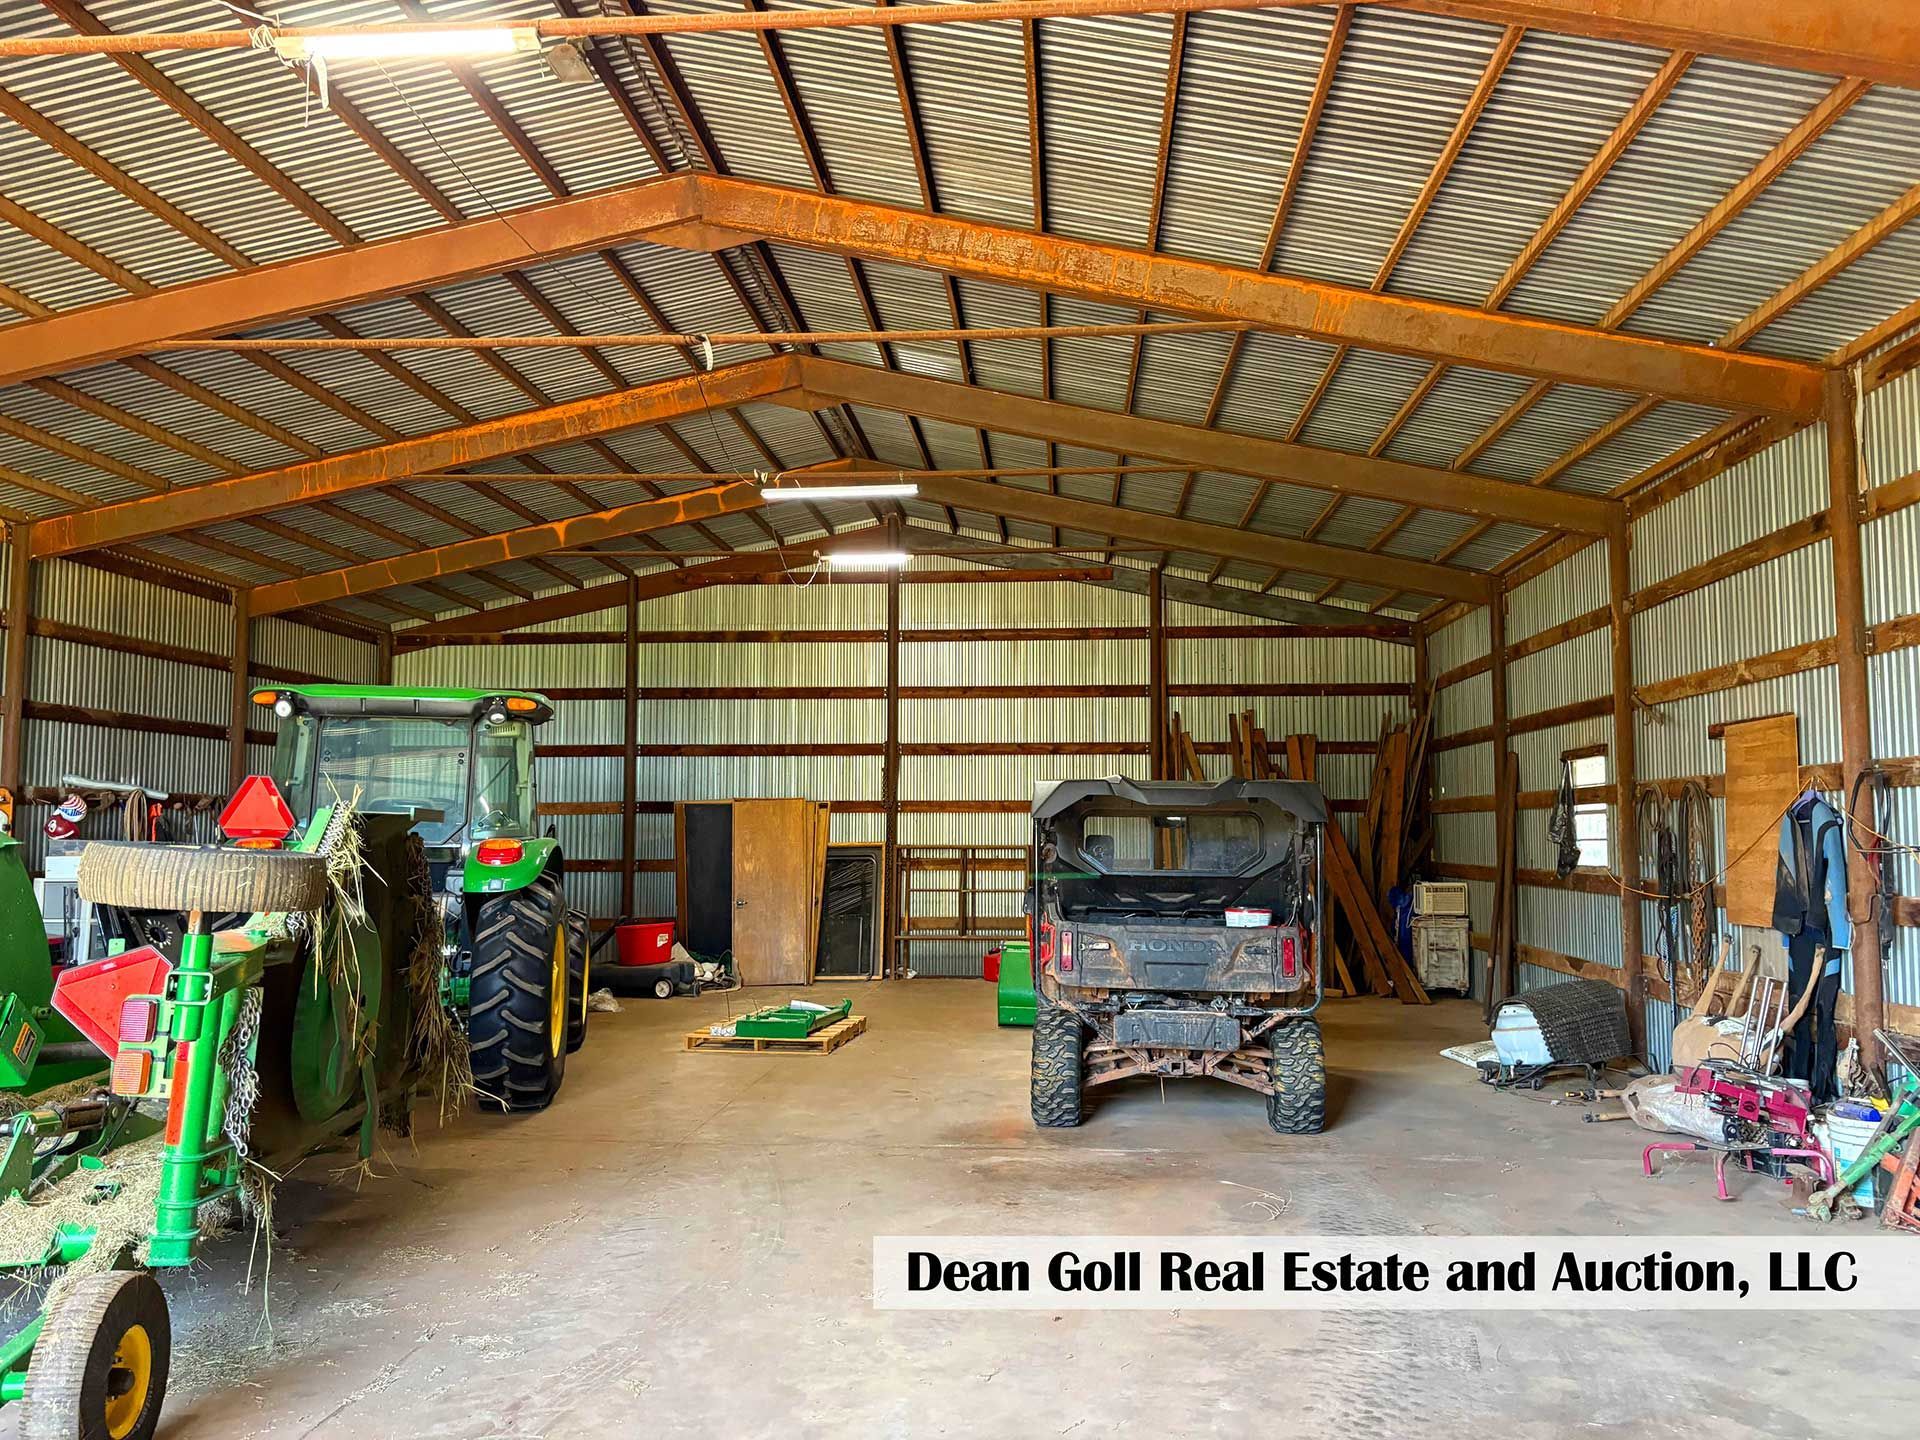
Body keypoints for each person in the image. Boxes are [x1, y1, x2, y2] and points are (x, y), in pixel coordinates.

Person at [1772, 790, 1847, 1103]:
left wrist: (1786, 933)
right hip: (1821, 925)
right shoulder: (1822, 818)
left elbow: (1783, 878)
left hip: (1800, 927)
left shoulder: (1790, 820)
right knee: (1819, 1011)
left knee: (1808, 1009)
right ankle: (1816, 1088)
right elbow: (1837, 878)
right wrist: (1841, 934)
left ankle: (1801, 1083)